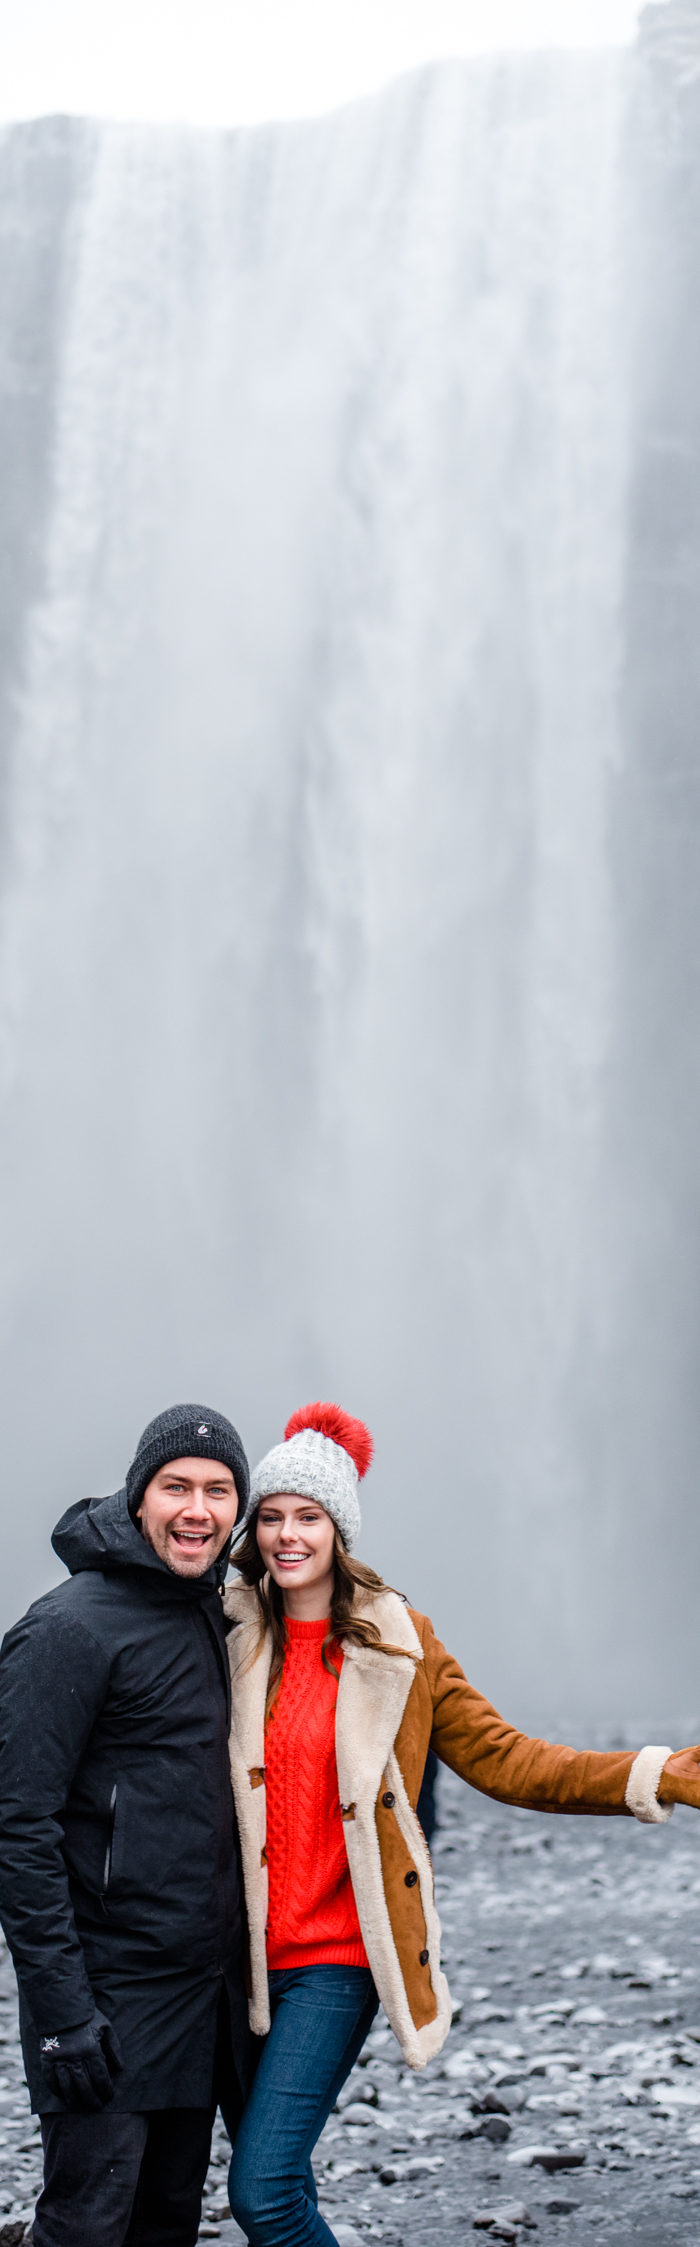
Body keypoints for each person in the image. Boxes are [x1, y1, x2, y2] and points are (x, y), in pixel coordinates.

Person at [224, 1398, 700, 2247]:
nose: (287, 1534)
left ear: (340, 1528)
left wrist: (651, 1772)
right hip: (240, 1959)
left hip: (337, 1958)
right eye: (271, 1516)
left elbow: (509, 1759)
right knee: (285, 2178)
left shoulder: (402, 1644)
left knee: (260, 2193)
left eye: (308, 1516)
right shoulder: (229, 1634)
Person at [0, 1402, 252, 2247]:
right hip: (103, 2003)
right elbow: (17, 1826)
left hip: (197, 2000)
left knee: (166, 2224)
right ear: (138, 1494)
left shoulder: (211, 1613)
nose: (197, 1509)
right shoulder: (68, 1628)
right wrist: (63, 2013)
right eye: (176, 1486)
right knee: (85, 2226)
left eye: (218, 1490)